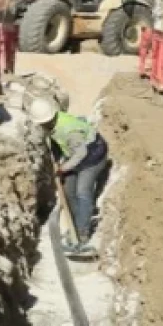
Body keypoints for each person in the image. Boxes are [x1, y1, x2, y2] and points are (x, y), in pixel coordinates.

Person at [27, 97, 108, 258]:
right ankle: (74, 228)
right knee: (68, 190)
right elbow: (56, 142)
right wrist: (58, 161)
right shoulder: (51, 124)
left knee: (82, 192)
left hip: (93, 156)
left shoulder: (69, 129)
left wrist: (63, 168)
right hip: (76, 154)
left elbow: (81, 153)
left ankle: (82, 234)